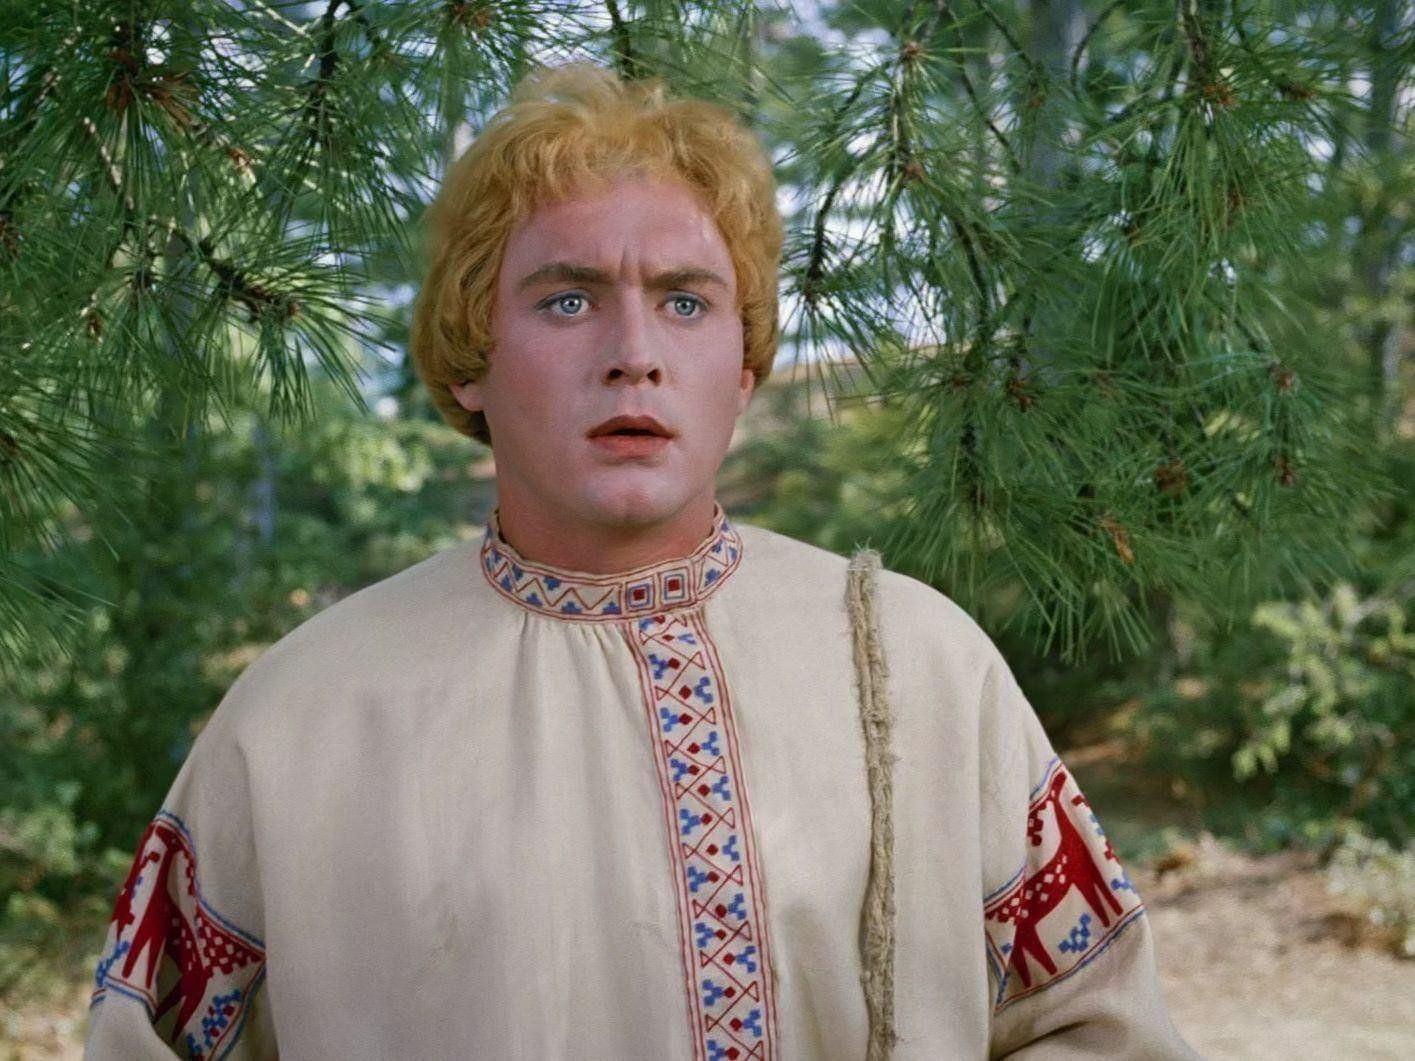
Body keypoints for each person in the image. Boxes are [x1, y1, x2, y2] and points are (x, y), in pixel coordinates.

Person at [84, 62, 1198, 1060]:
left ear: (744, 366)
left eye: (684, 301)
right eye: (567, 299)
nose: (633, 354)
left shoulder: (921, 667)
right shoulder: (299, 720)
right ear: (470, 355)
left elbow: (1098, 1026)